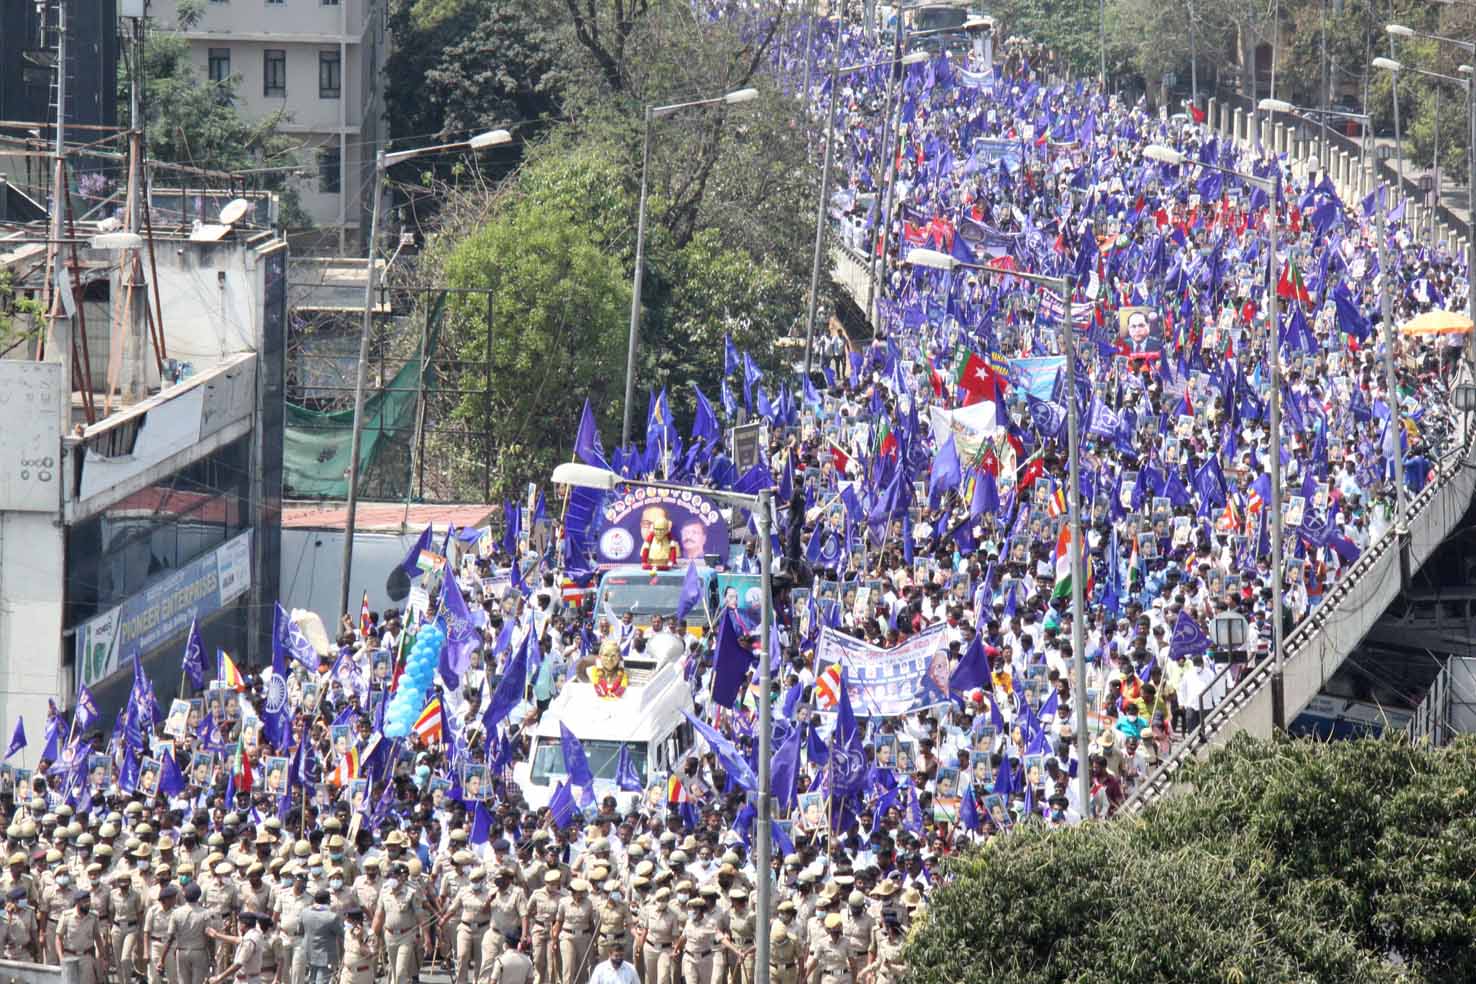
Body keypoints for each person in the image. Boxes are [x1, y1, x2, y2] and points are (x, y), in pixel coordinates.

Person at [55, 889, 106, 984]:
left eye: (88, 901)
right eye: (84, 902)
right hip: (69, 957)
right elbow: (58, 938)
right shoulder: (66, 916)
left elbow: (97, 937)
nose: (88, 904)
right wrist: (61, 958)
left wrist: (102, 958)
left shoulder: (93, 917)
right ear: (77, 903)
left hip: (87, 957)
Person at [205, 910, 265, 984]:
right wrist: (216, 935)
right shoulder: (255, 934)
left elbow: (238, 964)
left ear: (243, 925)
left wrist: (219, 977)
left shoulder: (249, 941)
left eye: (239, 923)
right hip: (249, 979)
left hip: (247, 981)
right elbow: (237, 939)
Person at [299, 891, 343, 984]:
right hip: (325, 956)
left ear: (315, 900)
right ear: (328, 901)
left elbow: (300, 931)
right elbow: (341, 933)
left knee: (312, 979)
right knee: (322, 980)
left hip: (309, 952)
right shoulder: (331, 917)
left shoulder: (305, 912)